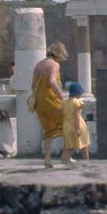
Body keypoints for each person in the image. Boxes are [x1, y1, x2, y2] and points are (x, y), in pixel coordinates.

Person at [32, 40, 69, 168]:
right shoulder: (54, 64)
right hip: (51, 99)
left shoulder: (38, 64)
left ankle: (47, 159)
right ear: (59, 54)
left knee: (48, 130)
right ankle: (66, 156)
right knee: (68, 125)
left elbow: (33, 85)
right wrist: (62, 98)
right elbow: (52, 81)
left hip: (39, 102)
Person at [60, 81, 90, 166]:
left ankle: (65, 158)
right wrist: (78, 128)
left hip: (67, 126)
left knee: (69, 145)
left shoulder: (65, 102)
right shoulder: (77, 102)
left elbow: (61, 112)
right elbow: (77, 116)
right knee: (81, 145)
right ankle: (66, 159)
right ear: (77, 93)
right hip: (77, 125)